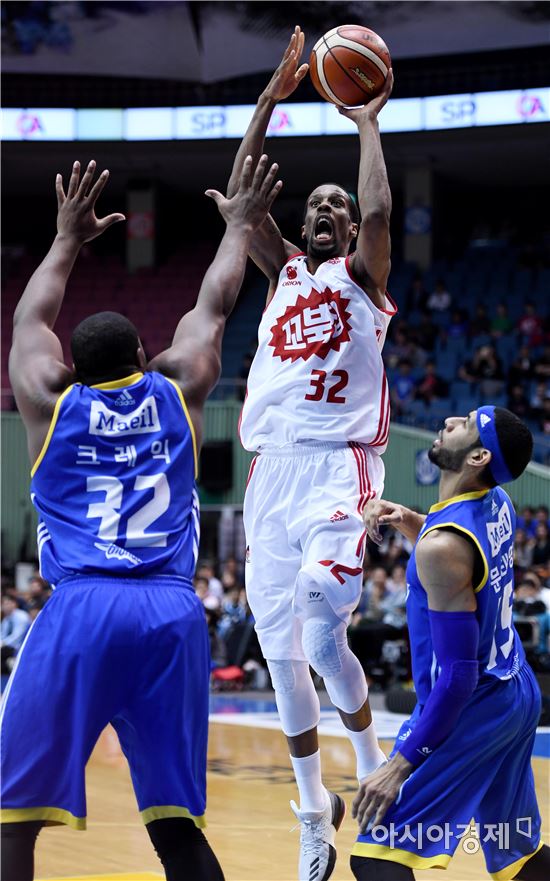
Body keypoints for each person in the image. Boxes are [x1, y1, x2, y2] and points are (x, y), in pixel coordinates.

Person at [0, 154, 282, 881]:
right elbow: (214, 305)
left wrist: (66, 238)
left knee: (14, 821)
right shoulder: (180, 386)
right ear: (141, 354)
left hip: (83, 607)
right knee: (175, 823)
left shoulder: (46, 401)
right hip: (170, 611)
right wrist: (238, 228)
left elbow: (29, 321)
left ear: (72, 368)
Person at [221, 25, 392, 881]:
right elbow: (240, 204)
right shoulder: (283, 272)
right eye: (316, 205)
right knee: (282, 652)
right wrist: (266, 102)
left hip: (337, 462)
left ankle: (376, 772)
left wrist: (366, 122)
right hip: (271, 473)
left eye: (338, 206)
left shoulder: (363, 277)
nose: (327, 211)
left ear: (349, 227)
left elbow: (381, 213)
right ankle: (314, 812)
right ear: (302, 225)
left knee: (324, 631)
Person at [350, 406, 549, 881]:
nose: (450, 422)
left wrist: (400, 766)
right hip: (515, 690)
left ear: (479, 457)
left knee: (376, 857)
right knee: (516, 854)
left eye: (467, 424)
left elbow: (458, 675)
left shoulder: (443, 547)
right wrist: (410, 520)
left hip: (473, 705)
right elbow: (462, 554)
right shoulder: (498, 502)